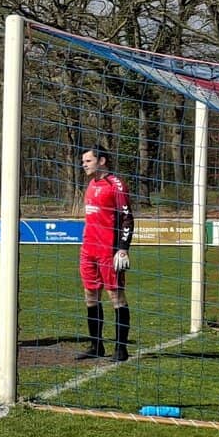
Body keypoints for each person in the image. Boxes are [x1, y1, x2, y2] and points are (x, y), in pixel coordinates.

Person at [79, 146, 134, 361]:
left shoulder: (116, 185)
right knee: (90, 296)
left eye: (88, 160)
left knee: (116, 296)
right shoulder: (91, 184)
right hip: (88, 249)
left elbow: (127, 218)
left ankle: (121, 349)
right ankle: (96, 346)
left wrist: (122, 248)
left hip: (107, 250)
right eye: (83, 161)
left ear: (101, 161)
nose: (84, 164)